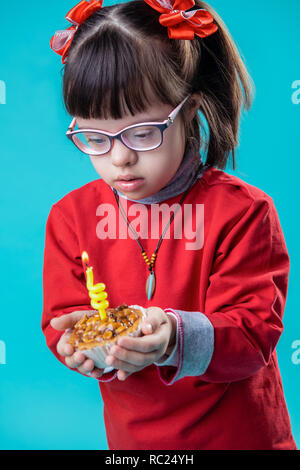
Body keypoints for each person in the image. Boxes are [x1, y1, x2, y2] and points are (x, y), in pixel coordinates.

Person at [42, 0, 297, 450]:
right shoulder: (71, 218)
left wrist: (174, 338)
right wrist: (77, 349)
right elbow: (63, 318)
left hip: (239, 436)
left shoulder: (243, 212)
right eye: (96, 138)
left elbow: (253, 334)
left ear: (189, 109)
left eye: (143, 133)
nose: (120, 157)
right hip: (135, 441)